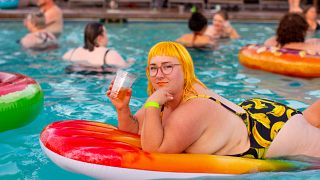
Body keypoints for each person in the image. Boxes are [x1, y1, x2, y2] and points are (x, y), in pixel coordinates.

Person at [107, 41, 320, 159]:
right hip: (253, 115)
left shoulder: (192, 108)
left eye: (168, 66)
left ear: (185, 70)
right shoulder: (165, 93)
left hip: (270, 137)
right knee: (308, 120)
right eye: (153, 68)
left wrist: (152, 104)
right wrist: (122, 109)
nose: (159, 74)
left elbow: (153, 151)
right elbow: (134, 130)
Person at [63, 22, 133, 68]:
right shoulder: (110, 55)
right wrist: (130, 62)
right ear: (100, 38)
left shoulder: (71, 53)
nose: (107, 37)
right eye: (106, 34)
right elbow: (124, 68)